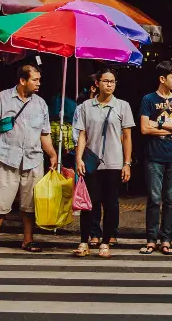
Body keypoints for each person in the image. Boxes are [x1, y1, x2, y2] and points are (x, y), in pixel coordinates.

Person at [0, 64, 57, 255]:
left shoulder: (40, 103)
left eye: (39, 80)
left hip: (33, 159)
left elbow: (44, 133)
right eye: (35, 80)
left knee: (30, 205)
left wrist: (53, 154)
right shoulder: (3, 98)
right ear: (23, 80)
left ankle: (28, 240)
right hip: (7, 157)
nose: (39, 83)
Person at [72, 68, 135, 258]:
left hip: (114, 162)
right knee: (89, 203)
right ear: (97, 83)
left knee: (110, 203)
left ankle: (105, 242)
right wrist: (78, 158)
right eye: (106, 81)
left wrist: (127, 163)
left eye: (113, 81)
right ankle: (85, 241)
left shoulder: (122, 106)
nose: (109, 84)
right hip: (91, 162)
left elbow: (127, 137)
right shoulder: (85, 107)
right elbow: (82, 134)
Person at [139, 61, 172, 255]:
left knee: (170, 200)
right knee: (154, 199)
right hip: (154, 156)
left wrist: (160, 125)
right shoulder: (148, 99)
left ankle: (166, 239)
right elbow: (144, 128)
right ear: (162, 79)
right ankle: (151, 239)